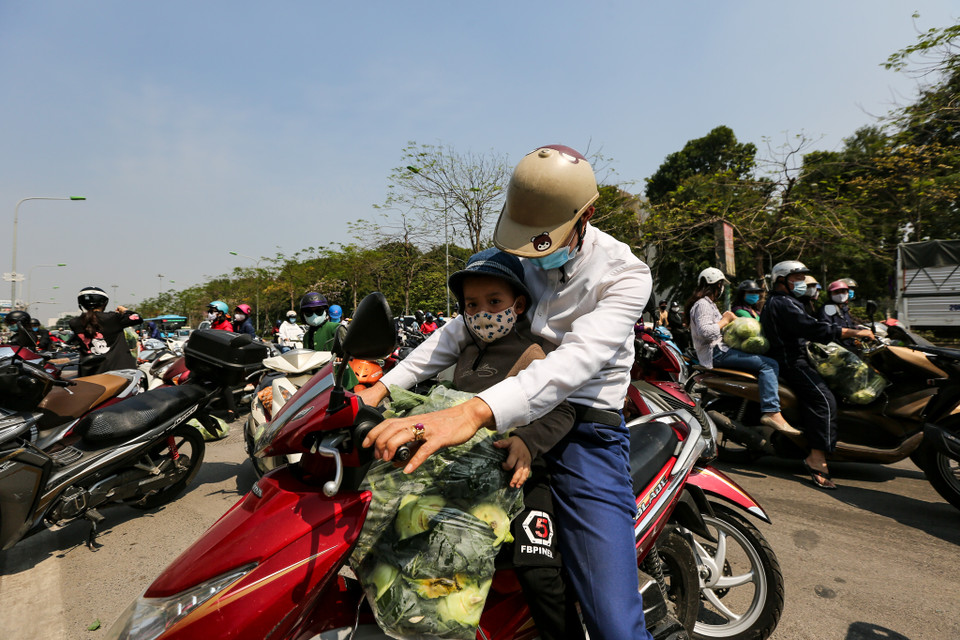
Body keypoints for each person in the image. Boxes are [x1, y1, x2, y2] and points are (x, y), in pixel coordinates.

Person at [361, 145, 660, 640]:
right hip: (501, 423)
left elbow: (577, 362)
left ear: (586, 215)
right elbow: (458, 332)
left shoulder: (625, 275)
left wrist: (476, 411)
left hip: (584, 428)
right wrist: (384, 387)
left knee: (613, 623)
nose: (532, 252)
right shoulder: (518, 254)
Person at [441, 247, 584, 640]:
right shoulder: (464, 351)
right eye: (472, 304)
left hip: (522, 477)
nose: (482, 312)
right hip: (472, 478)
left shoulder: (532, 352)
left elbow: (562, 411)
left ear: (517, 305)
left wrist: (525, 441)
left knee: (537, 570)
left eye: (494, 302)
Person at [760, 261, 874, 490]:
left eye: (803, 278)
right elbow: (811, 328)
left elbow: (814, 325)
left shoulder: (789, 301)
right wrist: (852, 332)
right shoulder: (782, 303)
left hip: (803, 357)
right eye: (798, 278)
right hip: (792, 363)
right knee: (824, 400)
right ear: (782, 280)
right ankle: (816, 457)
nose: (803, 283)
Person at [686, 268, 795, 434]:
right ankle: (771, 411)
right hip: (716, 353)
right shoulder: (702, 304)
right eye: (721, 285)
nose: (722, 288)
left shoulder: (709, 304)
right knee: (768, 365)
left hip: (720, 350)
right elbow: (706, 333)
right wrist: (726, 319)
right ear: (716, 285)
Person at [68, 286, 142, 376]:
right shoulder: (112, 318)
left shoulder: (74, 322)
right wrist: (124, 310)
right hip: (119, 373)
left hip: (90, 374)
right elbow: (137, 318)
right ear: (104, 303)